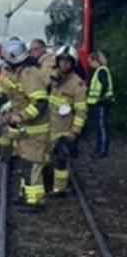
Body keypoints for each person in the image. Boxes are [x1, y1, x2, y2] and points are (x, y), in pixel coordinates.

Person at [1, 37, 50, 210]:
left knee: (33, 165)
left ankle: (35, 201)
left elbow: (41, 102)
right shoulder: (20, 71)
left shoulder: (28, 73)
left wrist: (21, 117)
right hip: (27, 130)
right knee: (26, 163)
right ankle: (26, 196)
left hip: (35, 130)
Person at [47, 46, 87, 196]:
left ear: (73, 63)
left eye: (67, 61)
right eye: (61, 60)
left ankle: (60, 188)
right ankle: (48, 182)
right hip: (47, 125)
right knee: (45, 158)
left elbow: (81, 111)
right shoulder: (52, 76)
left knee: (60, 160)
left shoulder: (77, 85)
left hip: (63, 129)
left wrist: (75, 132)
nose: (64, 64)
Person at [87, 51, 114, 158]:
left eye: (90, 62)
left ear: (95, 60)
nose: (89, 64)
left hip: (101, 103)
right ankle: (99, 149)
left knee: (102, 127)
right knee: (99, 127)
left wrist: (99, 99)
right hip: (98, 103)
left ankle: (102, 151)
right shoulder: (99, 71)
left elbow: (105, 87)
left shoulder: (101, 71)